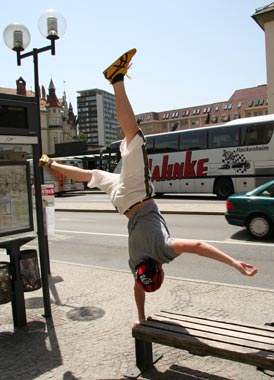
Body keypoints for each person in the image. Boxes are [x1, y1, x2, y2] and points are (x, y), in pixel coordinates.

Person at [39, 48, 258, 325]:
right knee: (90, 175)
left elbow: (199, 244)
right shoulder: (136, 262)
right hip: (121, 204)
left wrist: (235, 264)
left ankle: (116, 79)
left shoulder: (162, 250)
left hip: (136, 195)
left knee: (135, 137)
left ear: (161, 272)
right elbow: (137, 287)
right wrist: (140, 319)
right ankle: (50, 163)